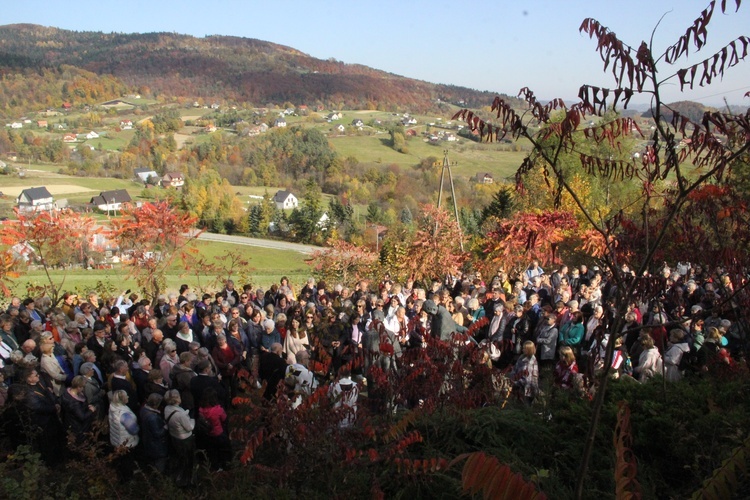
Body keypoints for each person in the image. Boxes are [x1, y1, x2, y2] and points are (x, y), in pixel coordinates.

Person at [164, 389, 196, 487]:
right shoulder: (180, 415)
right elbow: (189, 427)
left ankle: (180, 476)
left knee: (180, 457)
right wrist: (192, 419)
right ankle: (187, 480)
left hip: (174, 436)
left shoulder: (167, 408)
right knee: (188, 459)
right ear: (177, 399)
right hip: (185, 439)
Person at [108, 389, 139, 481]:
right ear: (122, 399)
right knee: (127, 461)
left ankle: (120, 475)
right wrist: (138, 428)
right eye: (126, 396)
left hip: (117, 439)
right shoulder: (124, 414)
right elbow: (133, 429)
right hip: (126, 442)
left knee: (121, 460)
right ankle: (127, 479)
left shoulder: (113, 407)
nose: (128, 397)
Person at [198, 388, 230, 471]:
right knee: (223, 450)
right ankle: (224, 466)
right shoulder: (218, 410)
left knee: (212, 452)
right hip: (219, 433)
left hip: (208, 434)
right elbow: (224, 419)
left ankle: (215, 467)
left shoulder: (201, 410)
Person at [61, 375, 96, 444]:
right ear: (79, 387)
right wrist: (91, 410)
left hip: (71, 424)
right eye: (83, 387)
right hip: (78, 428)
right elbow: (82, 417)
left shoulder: (68, 393)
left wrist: (86, 406)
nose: (83, 389)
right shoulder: (74, 403)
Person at [140, 393, 169, 473]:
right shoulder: (153, 418)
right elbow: (158, 433)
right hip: (156, 445)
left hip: (147, 441)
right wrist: (165, 427)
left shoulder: (144, 410)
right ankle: (159, 478)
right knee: (160, 463)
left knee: (152, 462)